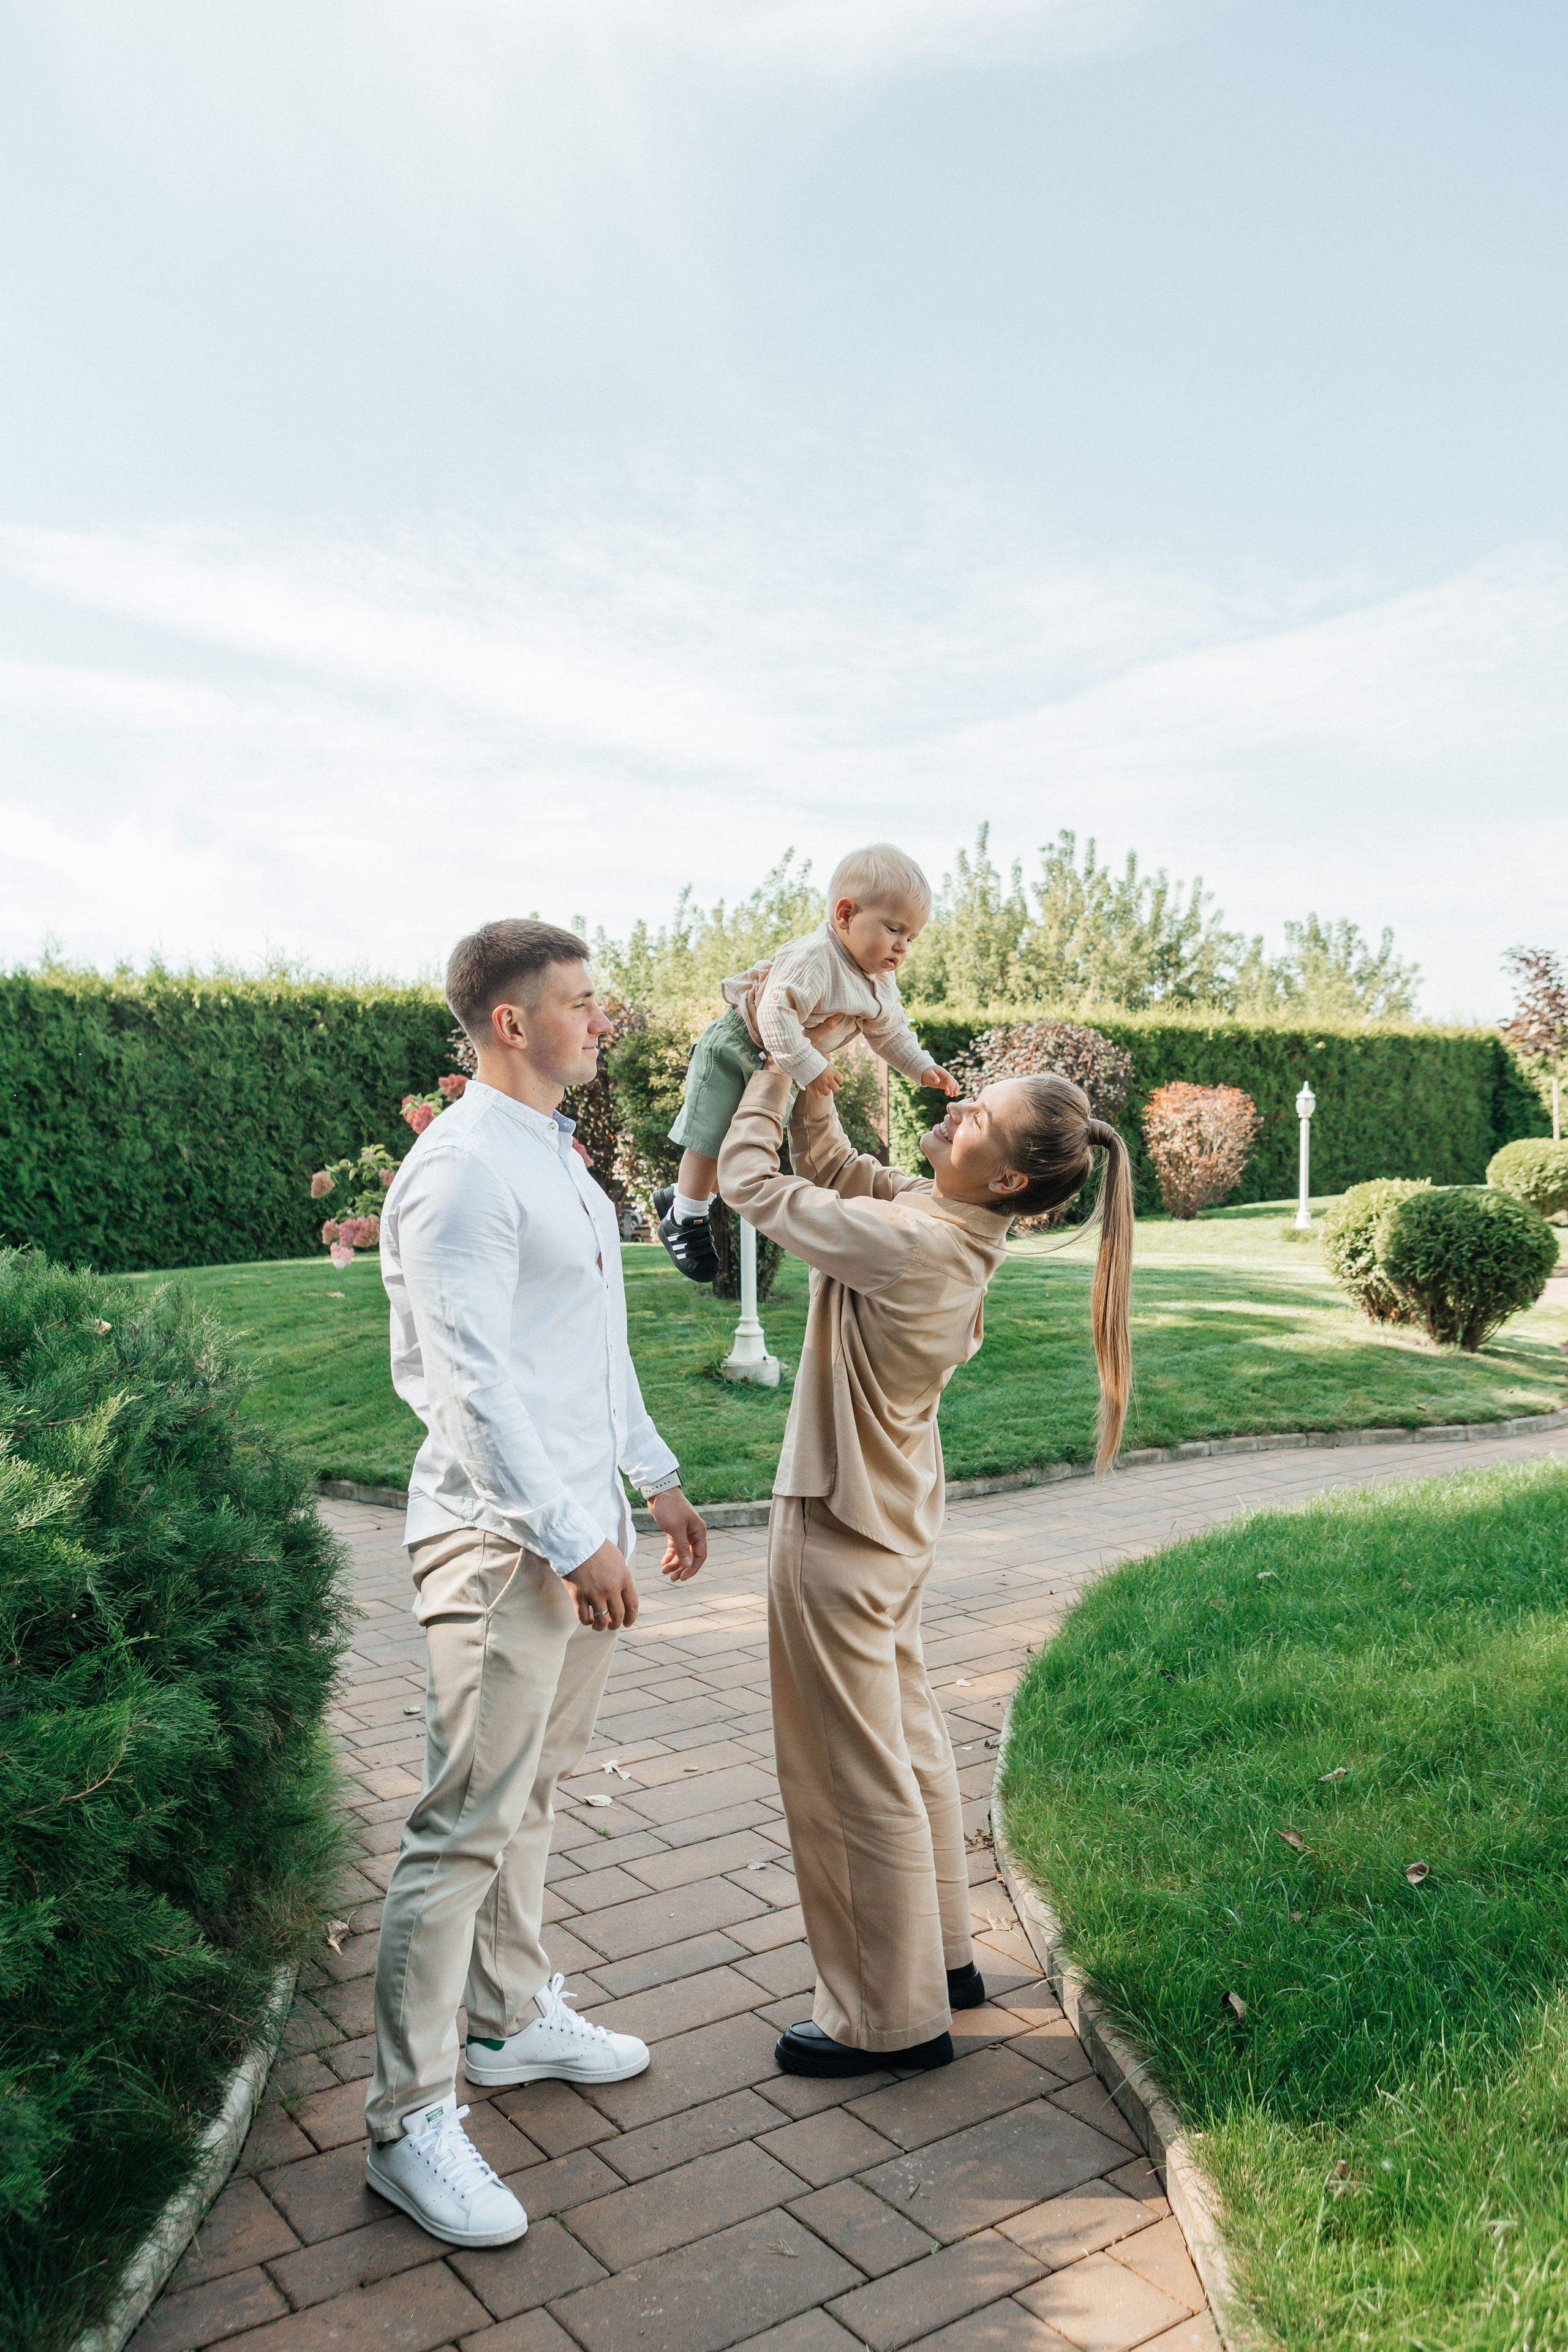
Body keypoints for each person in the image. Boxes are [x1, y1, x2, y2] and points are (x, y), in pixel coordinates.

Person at [364, 919, 708, 2245]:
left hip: (578, 1530)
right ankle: (408, 2123)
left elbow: (583, 1345)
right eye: (579, 1003)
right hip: (501, 1545)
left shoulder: (553, 1156)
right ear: (511, 1023)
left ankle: (508, 2021)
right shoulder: (456, 1175)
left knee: (531, 1791)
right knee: (462, 1821)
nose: (599, 1019)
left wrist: (651, 1475)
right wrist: (573, 1537)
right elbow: (470, 1388)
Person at [718, 1051, 1133, 2077]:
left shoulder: (908, 1240)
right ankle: (940, 1962)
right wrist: (821, 1072)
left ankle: (886, 2020)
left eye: (978, 1116)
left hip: (837, 1530)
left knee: (849, 1771)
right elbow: (840, 1162)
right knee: (902, 1740)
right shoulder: (944, 1225)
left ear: (1005, 1180)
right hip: (888, 1529)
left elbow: (751, 1184)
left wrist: (769, 1069)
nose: (955, 1108)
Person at [655, 842, 958, 1283]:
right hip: (738, 1046)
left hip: (782, 1061)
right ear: (845, 915)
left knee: (738, 1154)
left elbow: (890, 1031)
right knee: (710, 1141)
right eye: (894, 929)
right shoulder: (815, 958)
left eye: (911, 937)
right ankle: (686, 1215)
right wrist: (810, 1065)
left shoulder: (880, 979)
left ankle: (680, 1196)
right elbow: (774, 1016)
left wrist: (920, 1066)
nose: (902, 946)